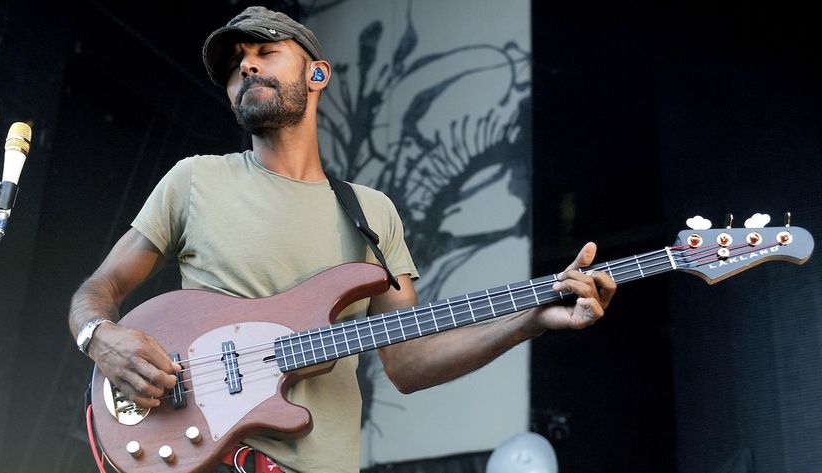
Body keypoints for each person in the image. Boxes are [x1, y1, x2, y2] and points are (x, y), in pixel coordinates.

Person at [68, 6, 616, 473]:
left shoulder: (371, 212)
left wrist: (532, 318)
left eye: (265, 51)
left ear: (317, 75)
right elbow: (102, 285)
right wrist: (99, 336)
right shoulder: (195, 180)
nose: (247, 65)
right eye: (235, 67)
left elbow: (408, 363)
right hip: (216, 453)